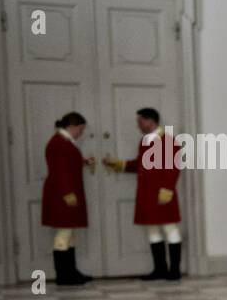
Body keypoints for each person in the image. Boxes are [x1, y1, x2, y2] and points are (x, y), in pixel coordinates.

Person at [103, 108, 185, 280]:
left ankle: (174, 271)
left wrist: (167, 190)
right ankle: (160, 269)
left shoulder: (168, 141)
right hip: (147, 194)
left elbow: (173, 168)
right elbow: (140, 164)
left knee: (170, 229)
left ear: (151, 121)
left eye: (140, 121)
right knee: (152, 230)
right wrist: (117, 164)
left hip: (162, 193)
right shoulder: (145, 141)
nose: (138, 125)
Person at [42, 111, 94, 285]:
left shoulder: (63, 143)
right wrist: (67, 193)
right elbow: (59, 171)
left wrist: (83, 161)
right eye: (80, 129)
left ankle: (71, 272)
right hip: (62, 195)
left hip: (65, 193)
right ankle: (63, 275)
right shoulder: (59, 143)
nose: (81, 133)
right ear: (71, 127)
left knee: (70, 233)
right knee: (63, 234)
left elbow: (66, 163)